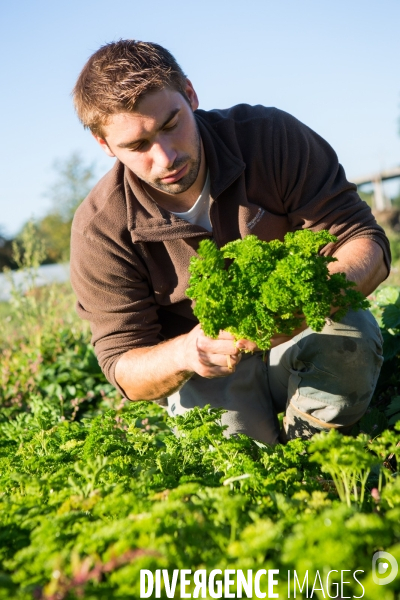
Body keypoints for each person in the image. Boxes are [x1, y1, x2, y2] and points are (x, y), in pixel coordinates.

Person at [70, 40, 389, 444]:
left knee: (351, 333)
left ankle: (317, 457)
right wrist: (189, 352)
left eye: (171, 125)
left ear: (190, 94)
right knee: (240, 462)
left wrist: (300, 309)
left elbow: (364, 243)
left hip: (303, 334)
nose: (165, 157)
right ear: (104, 145)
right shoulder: (100, 228)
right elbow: (124, 366)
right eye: (137, 146)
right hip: (209, 376)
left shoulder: (268, 138)